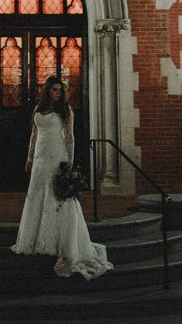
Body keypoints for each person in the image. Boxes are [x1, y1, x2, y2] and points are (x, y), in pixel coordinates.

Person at [11, 75, 113, 279]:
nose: (57, 93)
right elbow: (34, 135)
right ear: (47, 90)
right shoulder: (37, 110)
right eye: (54, 89)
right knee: (38, 195)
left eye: (60, 90)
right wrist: (29, 157)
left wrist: (69, 162)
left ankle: (62, 242)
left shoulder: (66, 111)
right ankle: (35, 238)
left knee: (58, 196)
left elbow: (70, 138)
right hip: (40, 157)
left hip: (57, 156)